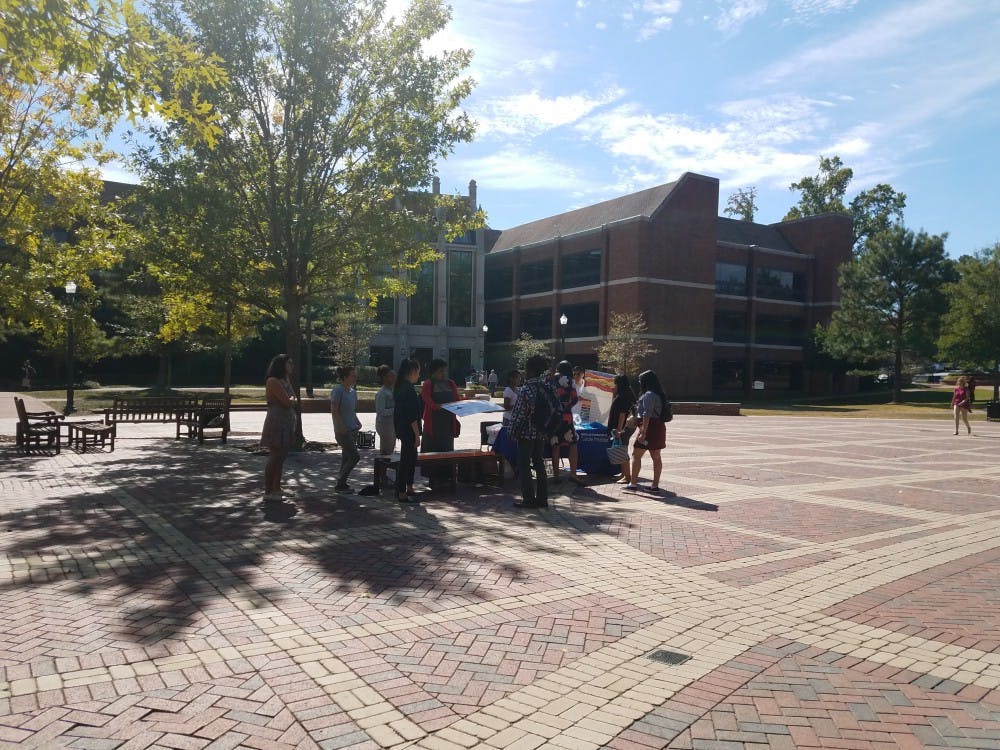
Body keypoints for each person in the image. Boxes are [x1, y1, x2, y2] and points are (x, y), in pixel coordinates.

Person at [508, 354, 554, 508]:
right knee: (539, 463)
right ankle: (543, 498)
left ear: (531, 370)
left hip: (526, 432)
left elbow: (519, 413)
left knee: (524, 464)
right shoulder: (546, 387)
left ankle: (528, 498)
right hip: (541, 432)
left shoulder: (526, 389)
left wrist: (512, 431)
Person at [260, 354, 296, 502]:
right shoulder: (273, 381)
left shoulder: (286, 380)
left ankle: (277, 488)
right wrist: (291, 400)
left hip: (286, 420)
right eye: (289, 363)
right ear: (282, 365)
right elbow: (288, 401)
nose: (292, 366)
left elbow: (294, 398)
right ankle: (268, 491)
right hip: (276, 420)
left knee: (281, 456)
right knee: (275, 455)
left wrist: (291, 400)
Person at [420, 358, 460, 488]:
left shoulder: (451, 383)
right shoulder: (428, 384)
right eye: (440, 371)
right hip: (433, 424)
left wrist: (468, 403)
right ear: (433, 372)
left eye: (444, 370)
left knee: (447, 449)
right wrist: (437, 406)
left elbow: (457, 400)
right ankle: (433, 478)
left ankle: (446, 477)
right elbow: (426, 398)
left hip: (447, 424)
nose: (443, 373)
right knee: (432, 450)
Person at [628, 369, 668, 492]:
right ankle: (654, 486)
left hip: (648, 427)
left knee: (636, 455)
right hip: (658, 427)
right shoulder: (659, 394)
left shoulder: (649, 394)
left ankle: (633, 484)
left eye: (640, 381)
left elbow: (647, 414)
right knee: (656, 457)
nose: (640, 383)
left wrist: (643, 432)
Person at [393, 359, 422, 502]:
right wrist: (417, 435)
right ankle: (401, 491)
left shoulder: (400, 387)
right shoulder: (408, 389)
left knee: (410, 459)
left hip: (401, 428)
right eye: (418, 372)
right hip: (409, 430)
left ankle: (409, 487)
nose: (419, 375)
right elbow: (412, 416)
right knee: (406, 460)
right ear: (411, 372)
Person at [547, 360, 581, 485]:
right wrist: (567, 406)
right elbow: (575, 399)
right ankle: (573, 474)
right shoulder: (570, 381)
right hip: (567, 417)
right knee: (573, 444)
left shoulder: (552, 380)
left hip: (554, 417)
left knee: (555, 445)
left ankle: (556, 476)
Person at [331, 365, 362, 493]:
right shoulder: (338, 390)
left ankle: (342, 484)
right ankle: (340, 481)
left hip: (352, 429)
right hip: (342, 431)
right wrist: (341, 426)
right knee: (355, 456)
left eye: (355, 375)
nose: (355, 378)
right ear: (345, 377)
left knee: (346, 457)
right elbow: (334, 410)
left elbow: (352, 411)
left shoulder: (353, 392)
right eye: (352, 375)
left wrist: (357, 422)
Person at [608, 374, 637, 485]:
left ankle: (627, 476)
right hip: (625, 427)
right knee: (621, 448)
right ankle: (624, 474)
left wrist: (619, 430)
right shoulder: (626, 392)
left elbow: (622, 414)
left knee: (622, 449)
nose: (614, 385)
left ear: (619, 383)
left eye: (615, 383)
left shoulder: (624, 394)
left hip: (624, 427)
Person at [374, 365, 396, 455]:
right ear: (385, 377)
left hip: (390, 425)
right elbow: (381, 411)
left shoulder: (391, 390)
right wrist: (396, 409)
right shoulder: (382, 393)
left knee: (389, 451)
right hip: (384, 426)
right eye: (390, 376)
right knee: (386, 452)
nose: (393, 377)